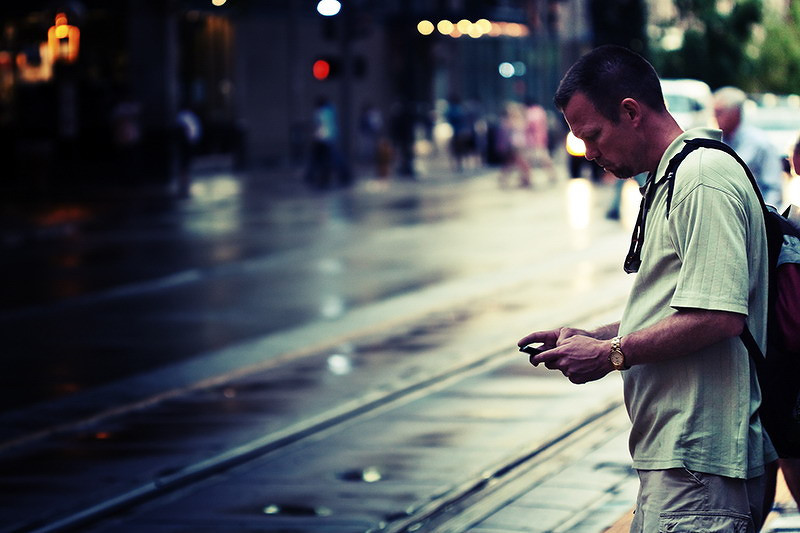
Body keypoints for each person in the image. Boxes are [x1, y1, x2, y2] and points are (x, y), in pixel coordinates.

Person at [517, 45, 777, 532]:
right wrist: (595, 336)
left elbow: (719, 317)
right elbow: (685, 305)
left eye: (592, 135)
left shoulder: (701, 179)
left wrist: (611, 354)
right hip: (686, 465)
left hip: (702, 464)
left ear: (630, 112)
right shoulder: (673, 175)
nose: (589, 153)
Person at [713, 86, 783, 208]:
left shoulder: (759, 143)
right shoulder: (715, 142)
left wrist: (766, 219)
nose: (714, 117)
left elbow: (773, 188)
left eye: (719, 112)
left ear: (735, 113)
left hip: (756, 215)